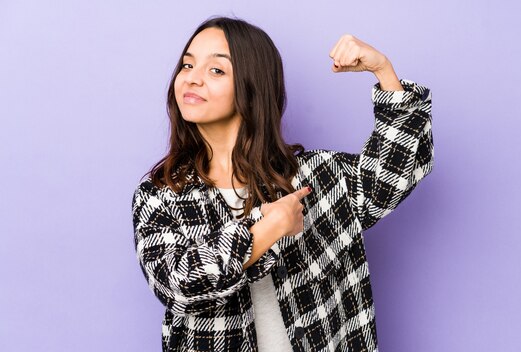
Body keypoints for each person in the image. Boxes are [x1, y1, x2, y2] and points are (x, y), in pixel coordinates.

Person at [132, 16, 433, 352]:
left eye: (216, 70)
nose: (192, 79)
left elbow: (390, 178)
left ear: (252, 86)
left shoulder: (315, 176)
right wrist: (266, 228)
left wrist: (384, 71)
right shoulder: (161, 194)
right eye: (187, 65)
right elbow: (177, 286)